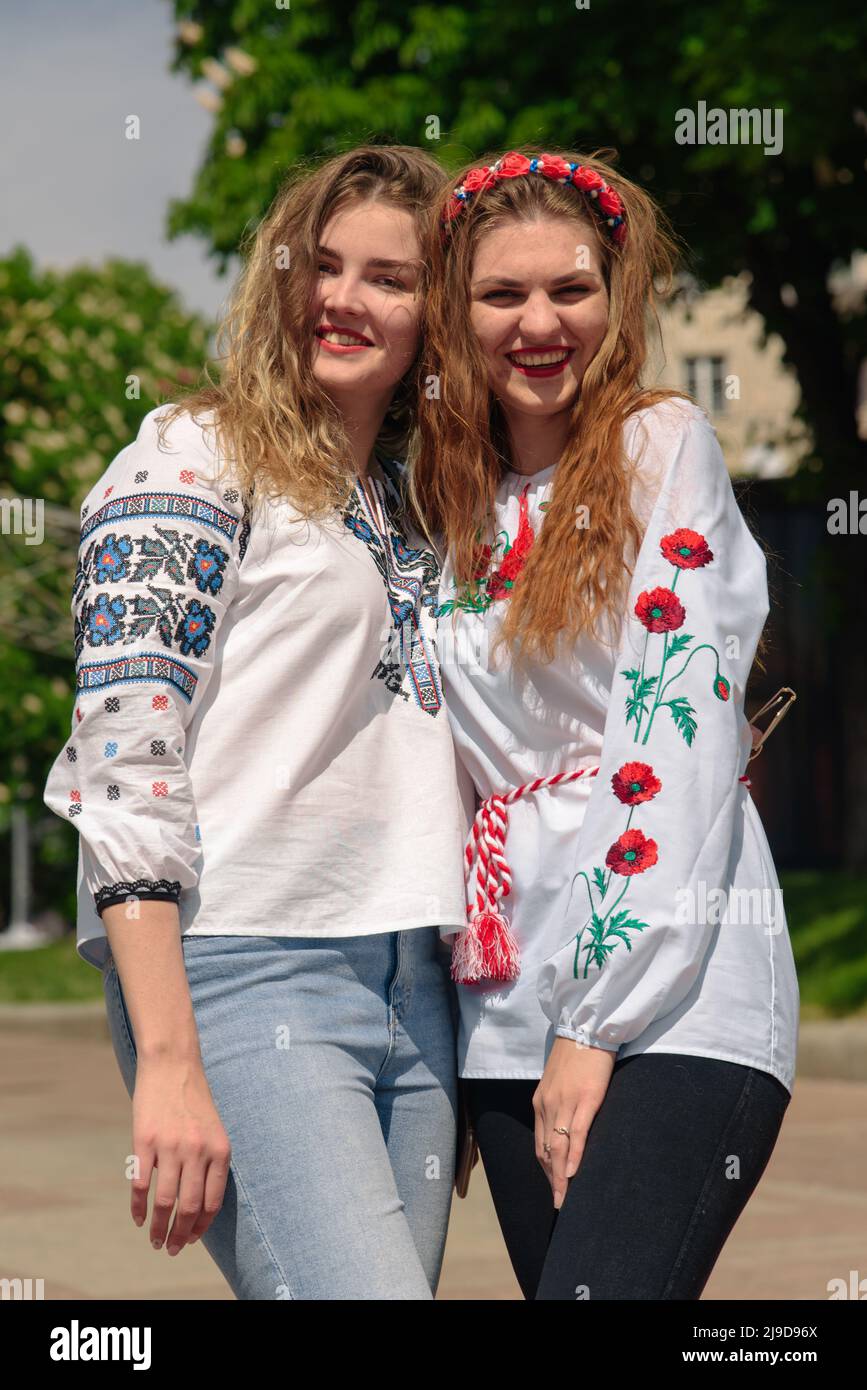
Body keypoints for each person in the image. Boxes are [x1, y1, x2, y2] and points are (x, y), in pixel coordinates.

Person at [44, 145, 474, 1301]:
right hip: (246, 970)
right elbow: (122, 754)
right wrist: (171, 1057)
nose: (345, 297)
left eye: (390, 277)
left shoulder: (413, 506)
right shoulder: (194, 453)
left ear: (435, 309)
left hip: (416, 990)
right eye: (320, 265)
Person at [411, 148, 799, 1300]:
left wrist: (594, 1020)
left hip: (671, 997)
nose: (540, 322)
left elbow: (673, 736)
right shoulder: (447, 506)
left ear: (614, 296)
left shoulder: (660, 448)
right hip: (505, 1012)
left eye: (569, 290)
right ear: (455, 312)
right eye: (502, 295)